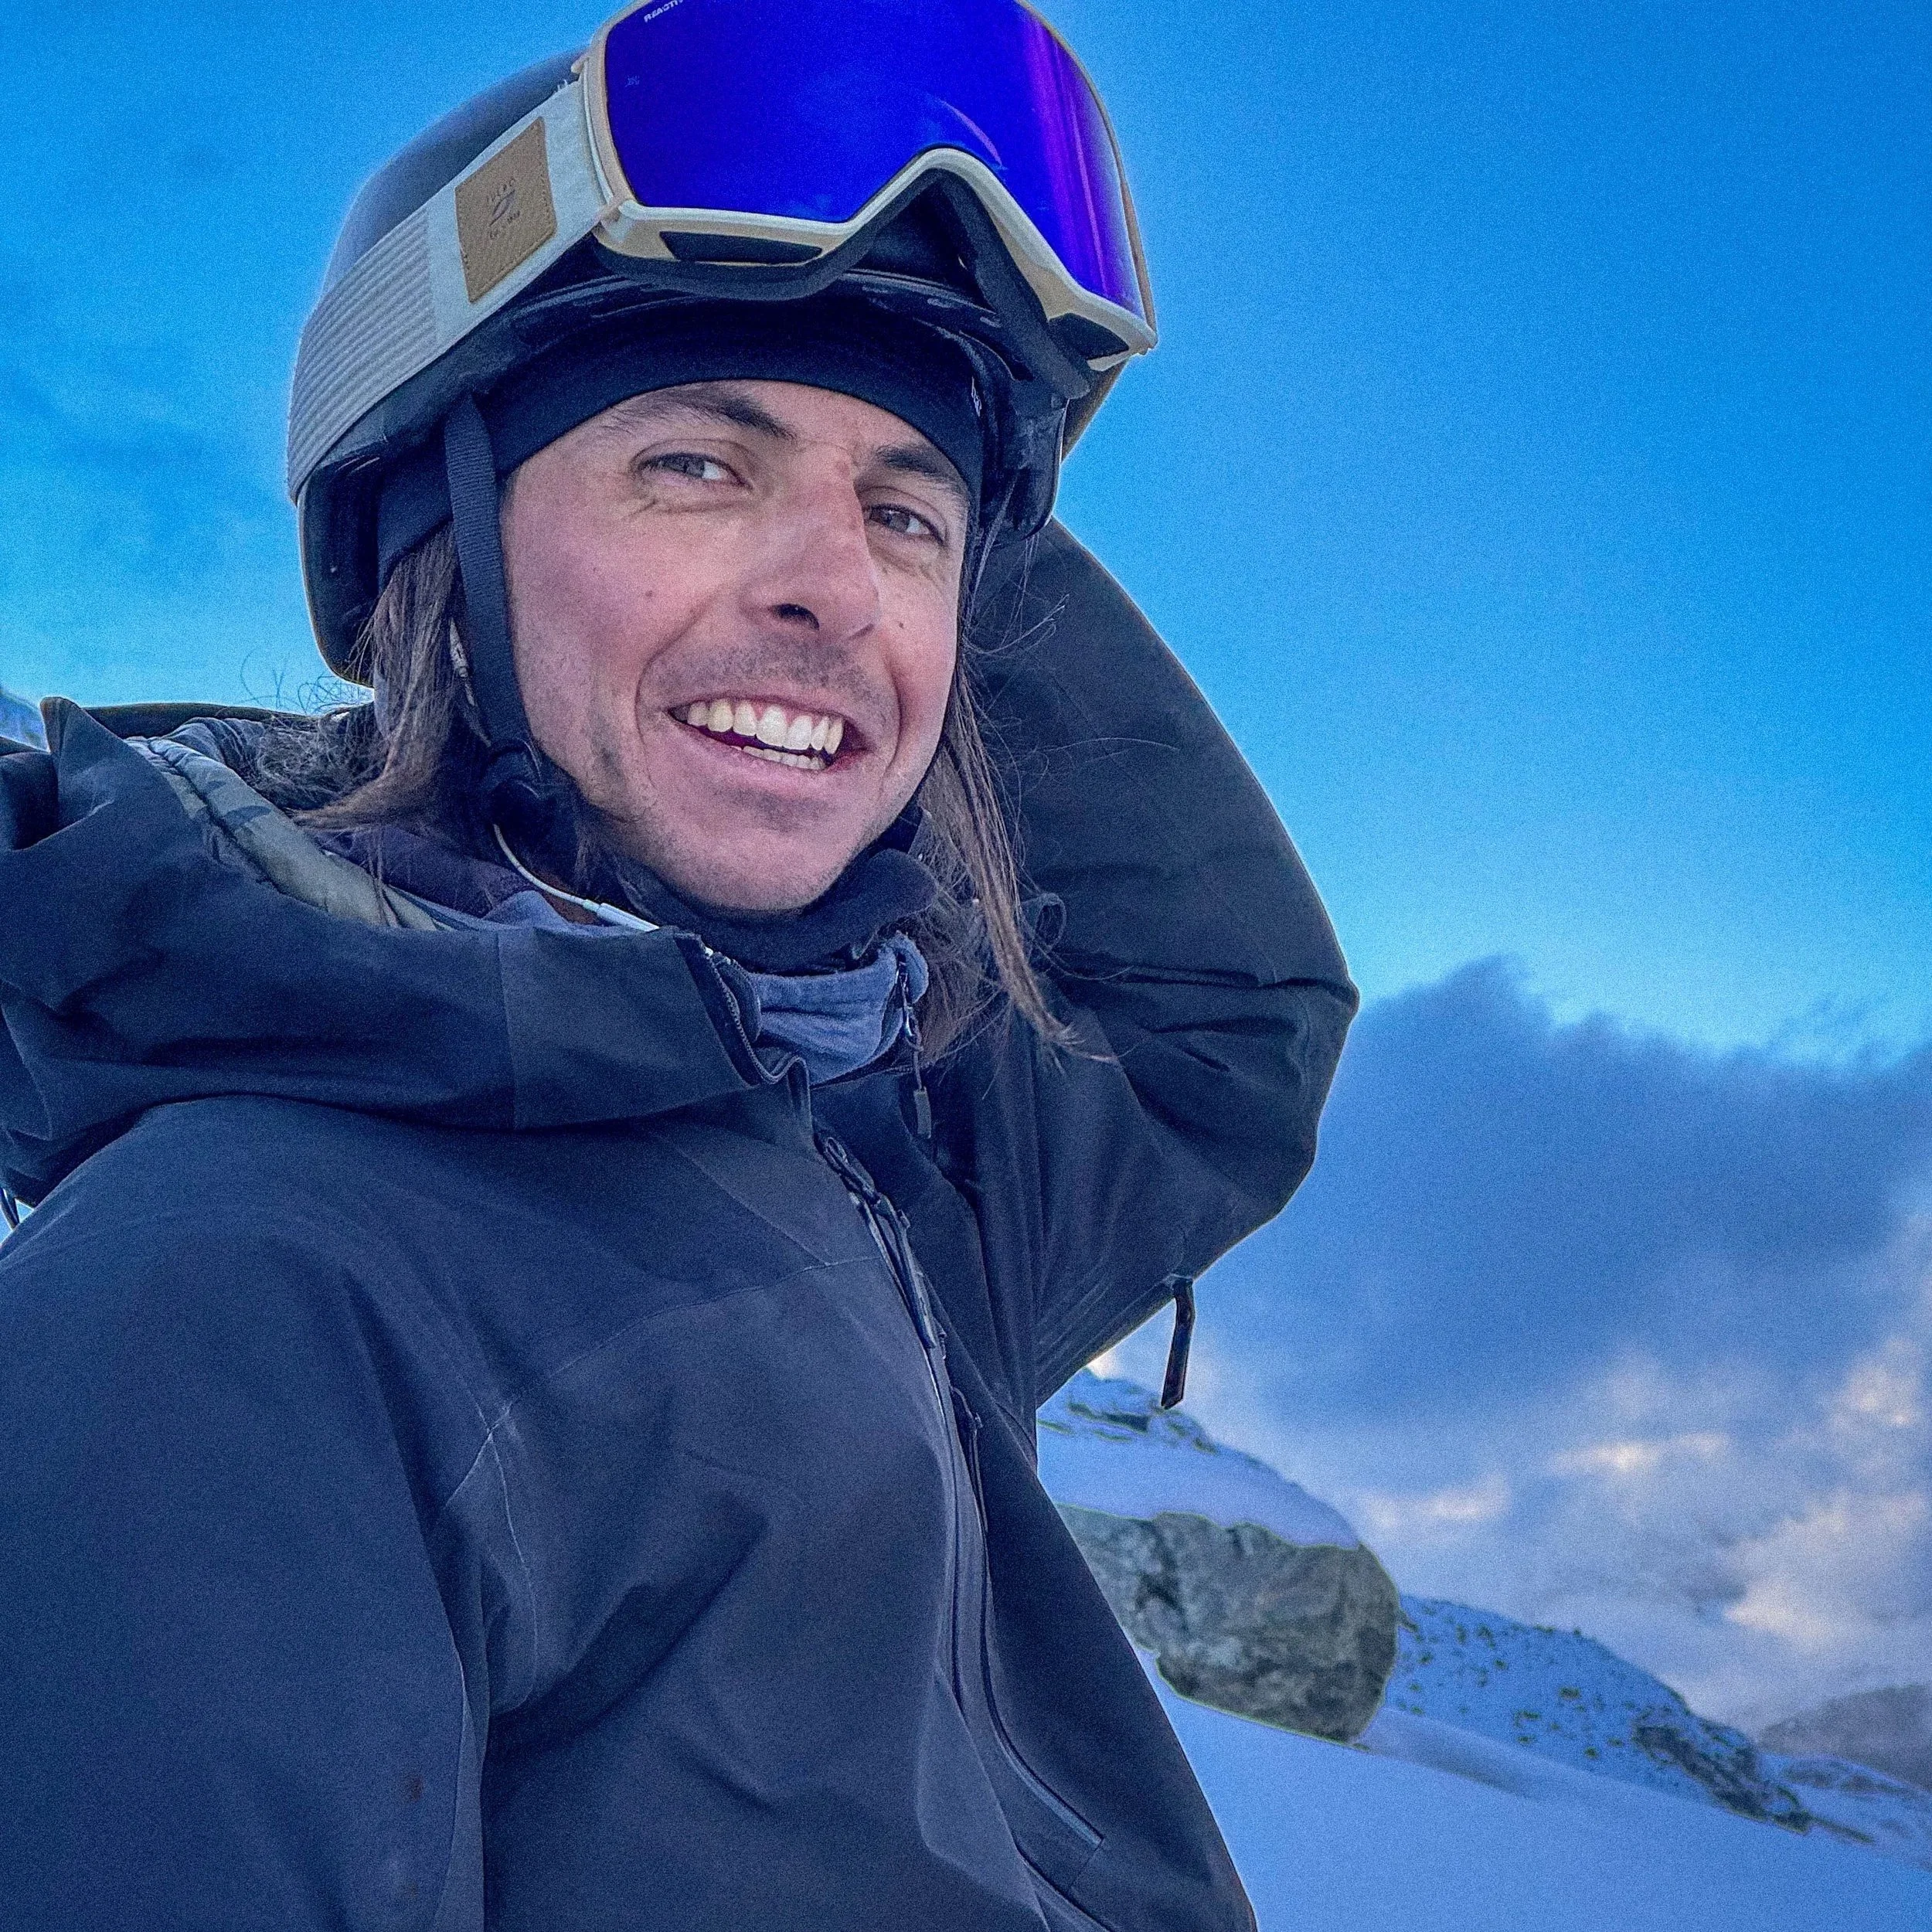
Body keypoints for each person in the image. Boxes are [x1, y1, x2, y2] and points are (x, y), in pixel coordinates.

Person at [0, 5, 1355, 1927]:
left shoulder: (859, 1158)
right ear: (442, 551)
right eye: (694, 467)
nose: (836, 578)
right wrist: (854, 530)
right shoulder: (242, 1293)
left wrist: (936, 527)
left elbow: (1217, 1032)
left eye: (906, 518)